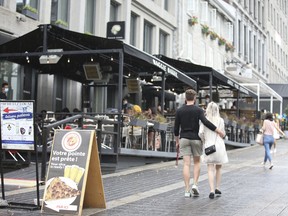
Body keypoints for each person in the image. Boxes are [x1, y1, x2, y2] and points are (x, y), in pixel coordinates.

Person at [174, 89, 225, 198]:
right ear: (195, 98)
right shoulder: (199, 110)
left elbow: (176, 127)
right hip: (196, 139)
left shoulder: (179, 110)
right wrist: (218, 130)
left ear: (185, 98)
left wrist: (177, 141)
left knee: (186, 164)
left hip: (183, 138)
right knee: (197, 163)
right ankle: (195, 185)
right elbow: (206, 122)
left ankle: (187, 190)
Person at [198, 102, 228, 199]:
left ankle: (211, 190)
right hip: (219, 145)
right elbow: (222, 133)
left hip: (209, 146)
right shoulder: (221, 120)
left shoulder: (204, 120)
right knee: (219, 167)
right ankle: (218, 188)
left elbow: (200, 133)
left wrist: (204, 141)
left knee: (210, 168)